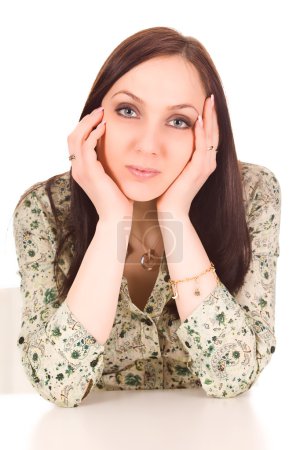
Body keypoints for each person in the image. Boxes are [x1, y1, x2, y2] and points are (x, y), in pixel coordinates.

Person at [13, 26, 281, 408]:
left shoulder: (252, 193)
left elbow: (232, 378)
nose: (148, 145)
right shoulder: (43, 210)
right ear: (92, 118)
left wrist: (174, 216)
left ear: (209, 133)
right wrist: (112, 221)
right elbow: (59, 388)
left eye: (178, 121)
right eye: (128, 111)